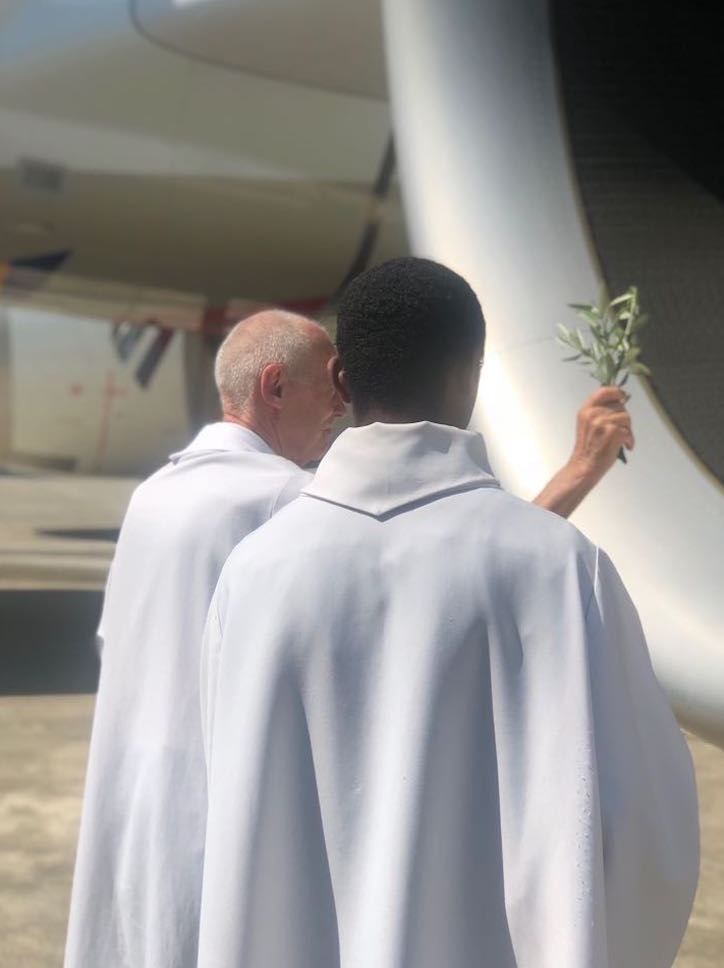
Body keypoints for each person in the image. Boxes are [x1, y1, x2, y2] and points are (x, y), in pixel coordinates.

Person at [198, 257, 698, 968]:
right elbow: (650, 835)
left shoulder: (254, 574)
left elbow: (230, 803)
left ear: (341, 379)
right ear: (474, 374)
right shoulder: (560, 568)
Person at [64, 310, 344, 968]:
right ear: (274, 387)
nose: (340, 404)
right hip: (218, 824)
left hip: (132, 809)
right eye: (331, 382)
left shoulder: (155, 493)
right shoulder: (289, 501)